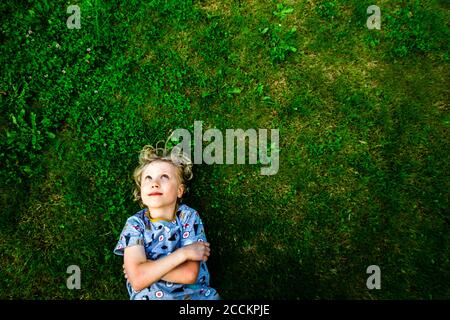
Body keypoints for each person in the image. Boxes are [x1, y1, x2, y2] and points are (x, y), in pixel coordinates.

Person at [113, 144, 220, 300]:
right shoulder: (135, 224)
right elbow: (137, 281)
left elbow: (189, 274)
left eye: (164, 177)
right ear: (141, 190)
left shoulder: (188, 217)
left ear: (179, 190)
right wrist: (183, 253)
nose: (154, 183)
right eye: (148, 178)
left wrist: (147, 268)